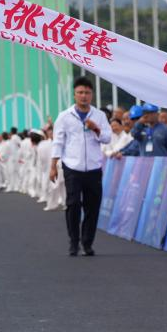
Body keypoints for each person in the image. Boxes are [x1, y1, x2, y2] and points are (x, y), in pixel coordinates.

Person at [49, 77, 112, 256]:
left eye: (87, 93)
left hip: (93, 168)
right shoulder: (64, 116)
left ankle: (87, 242)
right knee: (73, 204)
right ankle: (74, 241)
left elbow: (107, 138)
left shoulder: (99, 116)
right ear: (74, 94)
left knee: (92, 207)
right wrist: (53, 166)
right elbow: (58, 142)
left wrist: (96, 129)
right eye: (80, 92)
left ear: (92, 95)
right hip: (72, 167)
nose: (84, 96)